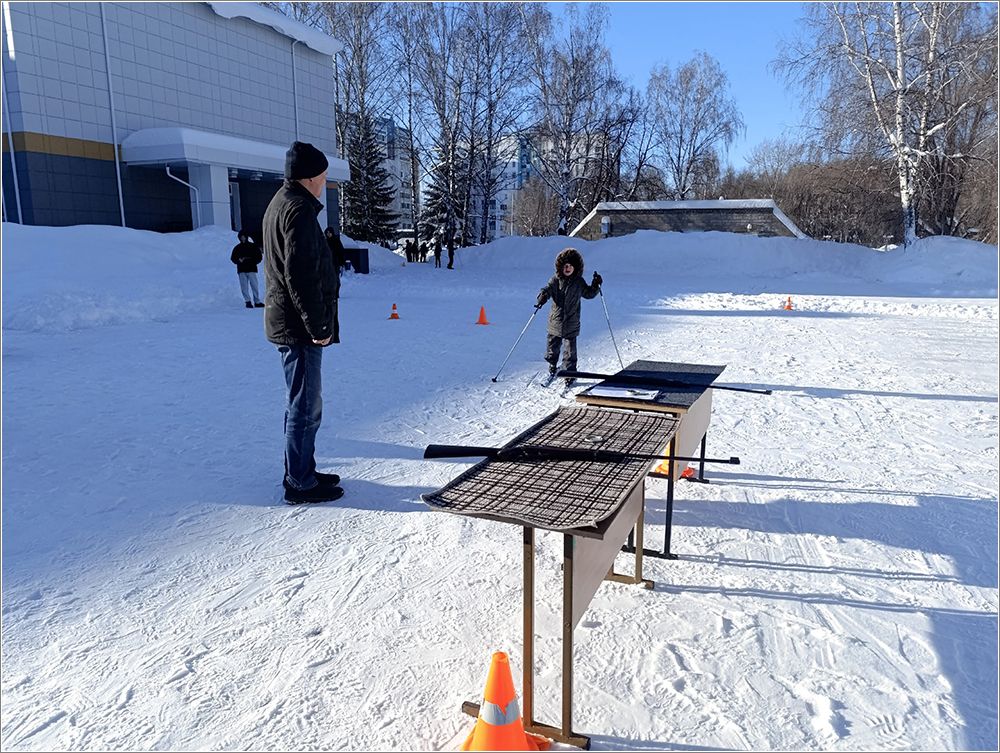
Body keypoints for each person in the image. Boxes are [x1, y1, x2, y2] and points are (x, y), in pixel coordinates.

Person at [262, 141, 344, 505]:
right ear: (309, 177)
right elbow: (301, 276)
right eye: (323, 176)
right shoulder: (297, 210)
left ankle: (301, 470)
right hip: (298, 328)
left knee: (301, 402)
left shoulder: (283, 203)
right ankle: (300, 482)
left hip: (290, 322)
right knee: (306, 406)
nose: (324, 182)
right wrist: (318, 327)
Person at [535, 248, 602, 387]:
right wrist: (543, 296)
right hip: (555, 322)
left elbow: (588, 294)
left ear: (575, 267)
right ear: (560, 266)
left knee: (570, 352)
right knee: (552, 348)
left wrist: (595, 285)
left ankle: (570, 374)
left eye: (570, 266)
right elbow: (547, 289)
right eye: (565, 265)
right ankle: (552, 366)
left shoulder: (579, 282)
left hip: (571, 322)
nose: (568, 268)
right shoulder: (555, 280)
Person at [230, 230, 263, 308]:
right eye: (241, 237)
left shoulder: (253, 246)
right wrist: (239, 260)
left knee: (254, 286)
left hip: (251, 269)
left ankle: (257, 301)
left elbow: (259, 257)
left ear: (246, 237)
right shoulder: (237, 248)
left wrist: (252, 262)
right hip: (241, 270)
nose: (242, 238)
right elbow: (233, 258)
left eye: (244, 236)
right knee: (244, 287)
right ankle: (248, 301)